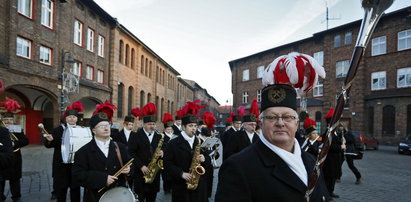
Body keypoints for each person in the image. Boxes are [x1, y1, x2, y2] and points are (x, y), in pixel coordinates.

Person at [216, 52, 329, 202]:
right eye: (272, 117)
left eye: (287, 117)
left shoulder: (312, 161)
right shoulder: (238, 167)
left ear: (296, 123)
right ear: (261, 122)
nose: (280, 122)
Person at [72, 112, 131, 202]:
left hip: (118, 195)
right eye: (101, 126)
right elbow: (78, 175)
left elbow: (131, 164)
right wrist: (102, 179)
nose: (106, 128)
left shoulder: (120, 147)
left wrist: (129, 170)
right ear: (94, 131)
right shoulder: (83, 152)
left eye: (107, 125)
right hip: (95, 197)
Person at [164, 100, 211, 202]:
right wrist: (181, 173)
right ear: (183, 127)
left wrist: (205, 158)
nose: (193, 129)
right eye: (190, 126)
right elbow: (166, 163)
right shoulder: (173, 143)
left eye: (195, 126)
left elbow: (208, 159)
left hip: (199, 186)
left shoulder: (199, 141)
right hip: (181, 186)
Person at [43, 105, 83, 202]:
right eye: (69, 117)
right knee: (61, 189)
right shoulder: (58, 130)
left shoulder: (81, 129)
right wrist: (49, 140)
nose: (72, 119)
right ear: (66, 119)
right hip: (61, 165)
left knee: (75, 189)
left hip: (76, 165)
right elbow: (49, 145)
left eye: (74, 117)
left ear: (77, 119)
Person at [128, 103, 163, 202]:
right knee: (141, 197)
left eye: (153, 124)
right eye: (149, 124)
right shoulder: (135, 136)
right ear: (144, 124)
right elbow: (131, 152)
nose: (152, 126)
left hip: (154, 173)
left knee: (152, 198)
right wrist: (141, 166)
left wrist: (162, 153)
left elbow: (164, 149)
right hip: (140, 173)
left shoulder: (159, 136)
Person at [0, 109, 29, 202]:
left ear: (13, 120)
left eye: (10, 119)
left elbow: (25, 141)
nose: (8, 121)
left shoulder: (17, 129)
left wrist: (15, 144)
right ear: (2, 120)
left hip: (15, 157)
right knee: (1, 179)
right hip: (2, 157)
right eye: (6, 119)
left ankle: (16, 197)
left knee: (15, 179)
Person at [322, 108, 344, 199]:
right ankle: (327, 193)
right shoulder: (328, 133)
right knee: (329, 177)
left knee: (333, 177)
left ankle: (331, 191)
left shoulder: (334, 132)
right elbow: (329, 147)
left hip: (335, 159)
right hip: (330, 159)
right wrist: (340, 147)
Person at [161, 113, 175, 194]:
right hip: (165, 158)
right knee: (165, 175)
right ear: (165, 129)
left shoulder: (175, 136)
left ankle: (172, 187)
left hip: (173, 158)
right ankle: (166, 189)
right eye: (168, 129)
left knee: (172, 173)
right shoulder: (162, 137)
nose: (169, 131)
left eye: (170, 129)